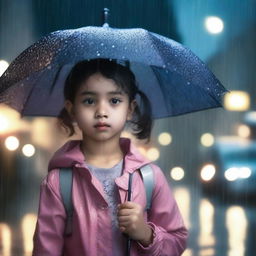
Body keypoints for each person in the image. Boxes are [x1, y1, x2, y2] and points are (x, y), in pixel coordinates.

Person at [32, 59, 188, 256]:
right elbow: (45, 251)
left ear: (130, 109)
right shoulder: (58, 183)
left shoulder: (150, 178)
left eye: (114, 101)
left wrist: (147, 234)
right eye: (89, 101)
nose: (102, 112)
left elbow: (177, 241)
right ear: (72, 109)